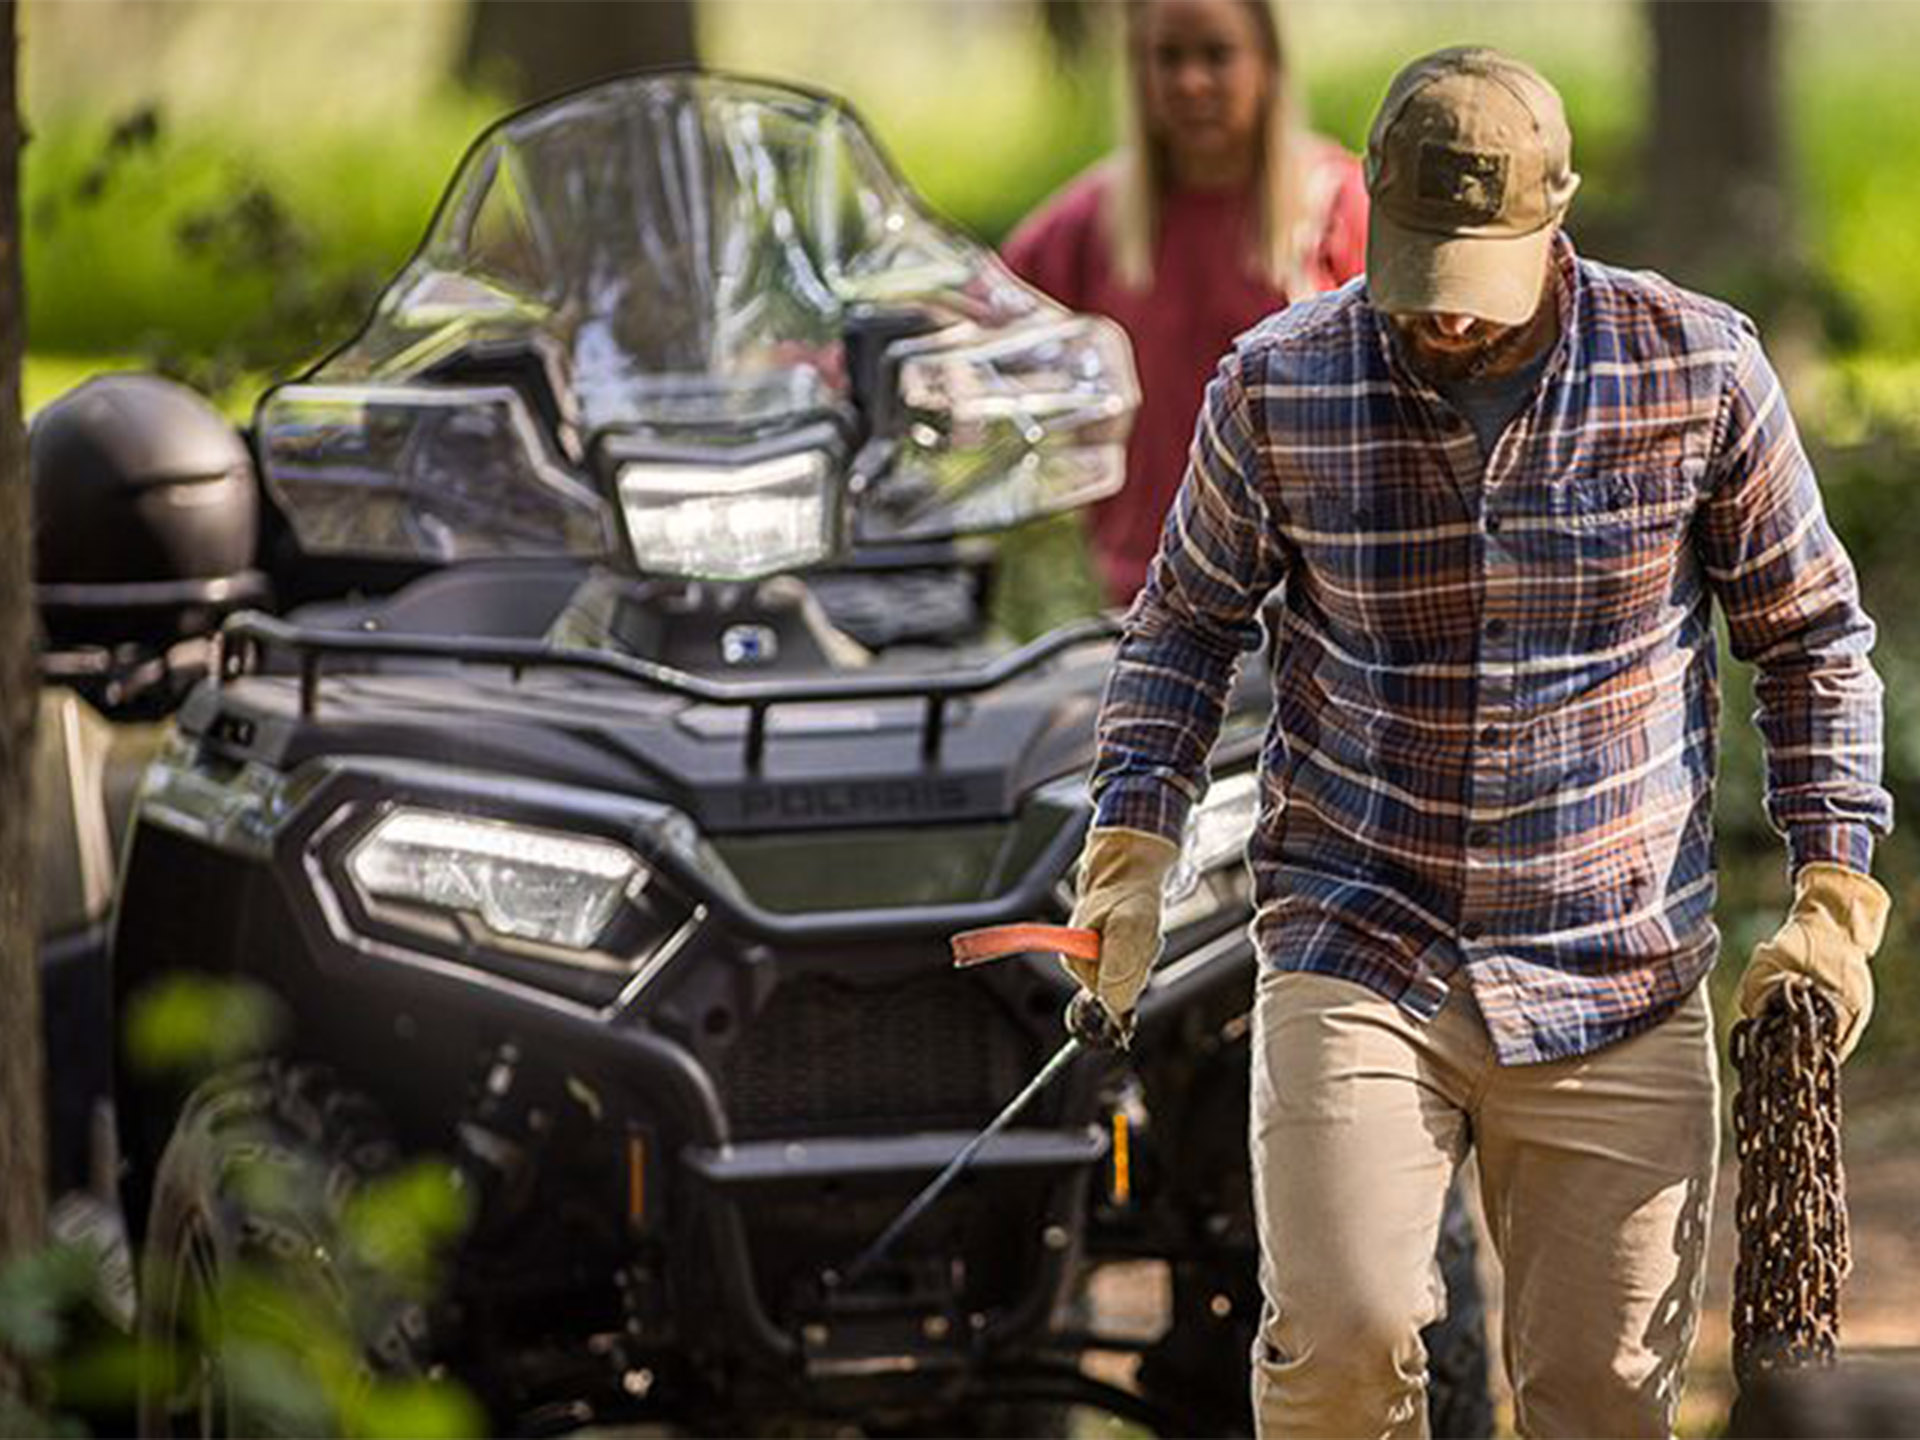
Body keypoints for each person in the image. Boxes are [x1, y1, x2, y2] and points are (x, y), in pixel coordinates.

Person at [1060, 45, 1893, 1439]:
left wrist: (1830, 891)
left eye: (1477, 274)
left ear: (1559, 214)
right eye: (1419, 268)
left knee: (1600, 1400)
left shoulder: (1697, 371)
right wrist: (1133, 843)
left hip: (1613, 961)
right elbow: (1183, 628)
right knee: (1342, 1343)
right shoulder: (1279, 387)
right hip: (1357, 934)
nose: (1443, 321)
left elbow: (1810, 636)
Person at [1002, 0, 1367, 609]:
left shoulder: (1333, 205)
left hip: (1314, 599)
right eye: (1167, 58)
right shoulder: (1095, 220)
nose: (1191, 82)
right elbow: (974, 317)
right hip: (1151, 596)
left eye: (1217, 56)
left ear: (1267, 63)